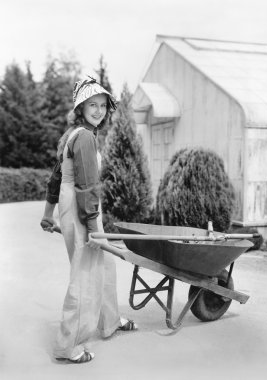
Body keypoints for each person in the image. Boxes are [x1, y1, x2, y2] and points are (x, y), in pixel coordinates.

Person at [41, 76, 137, 364]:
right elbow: (86, 187)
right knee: (84, 275)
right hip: (82, 207)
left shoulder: (73, 135)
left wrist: (48, 214)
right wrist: (95, 229)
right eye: (91, 105)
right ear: (80, 108)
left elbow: (56, 179)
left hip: (73, 206)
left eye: (103, 105)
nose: (98, 110)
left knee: (104, 265)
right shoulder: (83, 138)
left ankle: (109, 321)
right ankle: (68, 346)